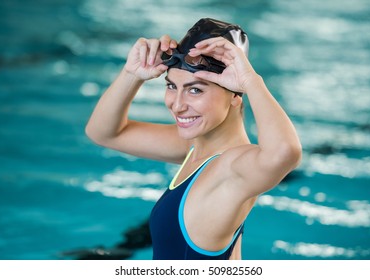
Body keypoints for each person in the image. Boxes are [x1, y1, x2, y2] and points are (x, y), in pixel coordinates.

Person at [85, 18, 302, 260]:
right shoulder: (196, 147)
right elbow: (104, 133)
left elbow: (285, 152)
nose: (177, 106)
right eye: (171, 86)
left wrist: (252, 82)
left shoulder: (232, 169)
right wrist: (131, 73)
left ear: (235, 95)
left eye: (195, 89)